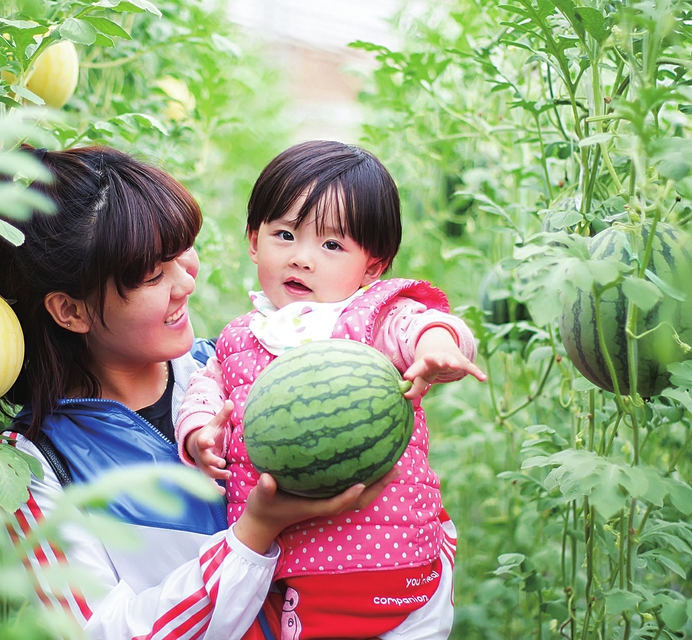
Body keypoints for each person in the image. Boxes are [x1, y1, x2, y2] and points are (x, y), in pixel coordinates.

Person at [0, 144, 395, 640]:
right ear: (70, 310)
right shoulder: (29, 468)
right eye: (154, 275)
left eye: (181, 252)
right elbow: (103, 632)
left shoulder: (242, 374)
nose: (185, 283)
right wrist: (253, 533)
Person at [175, 140, 487, 640]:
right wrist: (198, 435)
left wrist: (439, 346)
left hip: (394, 560)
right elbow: (206, 393)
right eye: (284, 234)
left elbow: (421, 324)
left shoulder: (372, 319)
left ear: (372, 266)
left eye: (332, 245)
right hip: (292, 570)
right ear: (253, 240)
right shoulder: (238, 338)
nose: (302, 258)